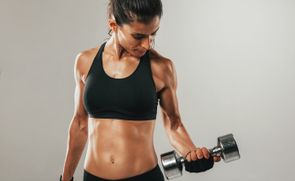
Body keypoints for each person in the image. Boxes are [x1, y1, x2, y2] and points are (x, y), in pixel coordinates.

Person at [60, 0, 220, 180]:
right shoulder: (85, 61)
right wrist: (65, 178)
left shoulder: (161, 68)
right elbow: (80, 124)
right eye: (138, 36)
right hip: (93, 177)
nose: (147, 44)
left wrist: (192, 153)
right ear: (113, 25)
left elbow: (174, 124)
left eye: (153, 34)